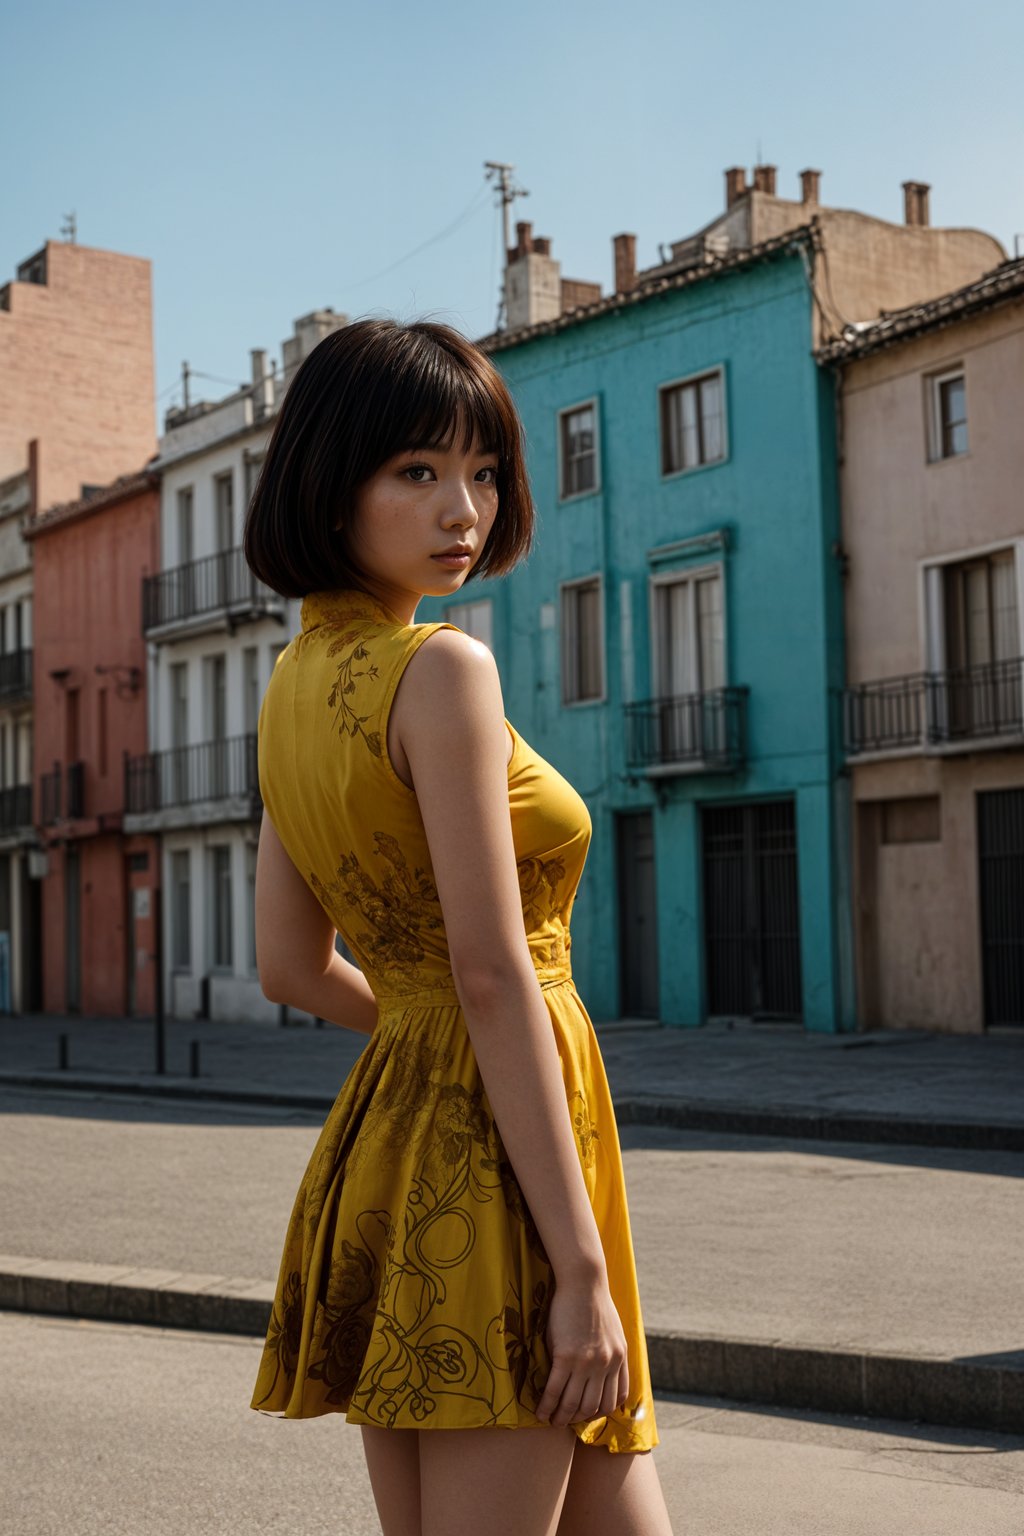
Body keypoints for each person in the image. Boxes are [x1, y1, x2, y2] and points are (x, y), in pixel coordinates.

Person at [243, 317, 674, 1536]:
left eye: (482, 471)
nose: (463, 510)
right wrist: (582, 1272)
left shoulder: (289, 690)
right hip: (499, 1174)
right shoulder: (443, 672)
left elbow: (288, 963)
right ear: (332, 485)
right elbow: (490, 974)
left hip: (406, 1136)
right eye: (417, 472)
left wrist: (432, 1035)